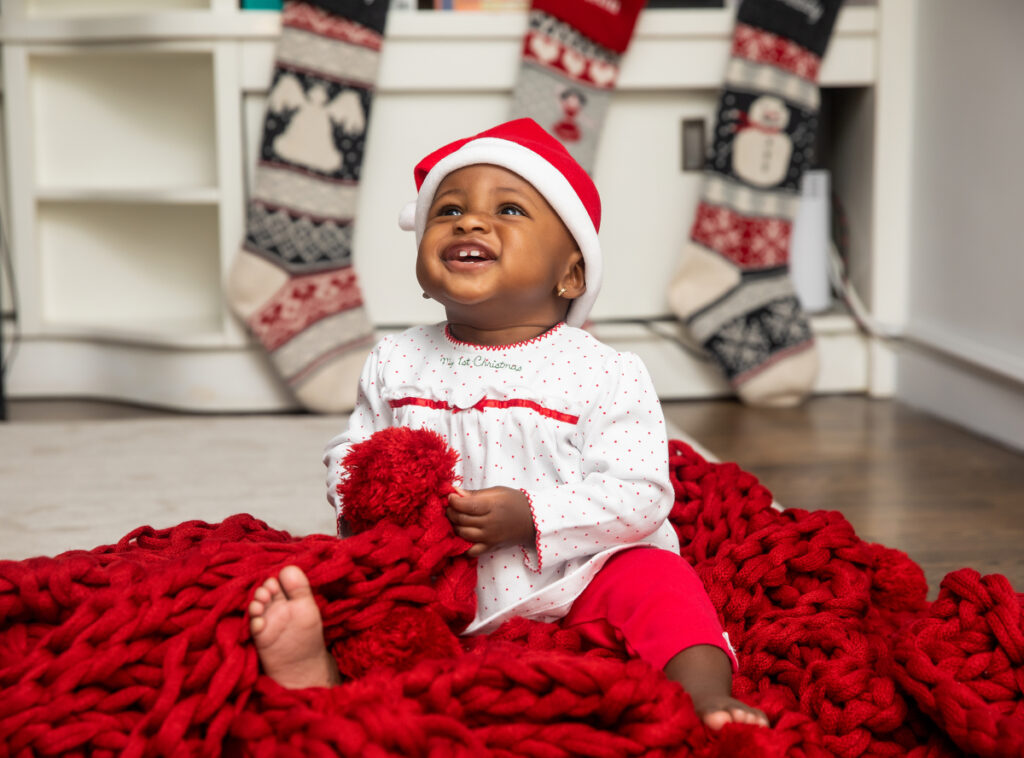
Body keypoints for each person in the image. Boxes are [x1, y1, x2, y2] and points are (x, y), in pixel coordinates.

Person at [249, 118, 768, 729]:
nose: (469, 222)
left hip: (578, 577)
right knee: (360, 589)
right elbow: (350, 451)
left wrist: (531, 515)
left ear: (570, 274)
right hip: (439, 581)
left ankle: (705, 692)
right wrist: (367, 492)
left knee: (659, 579)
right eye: (447, 210)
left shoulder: (602, 371)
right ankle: (326, 675)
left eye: (510, 210)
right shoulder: (396, 360)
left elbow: (641, 494)